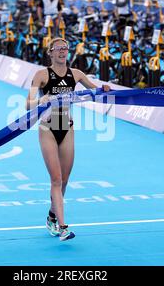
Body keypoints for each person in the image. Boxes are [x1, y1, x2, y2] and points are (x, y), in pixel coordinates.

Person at [26, 38, 111, 241]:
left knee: (64, 180)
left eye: (65, 48)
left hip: (67, 129)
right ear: (51, 53)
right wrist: (42, 100)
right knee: (55, 179)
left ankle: (52, 216)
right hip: (47, 129)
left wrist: (104, 89)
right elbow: (28, 105)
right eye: (58, 49)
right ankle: (63, 227)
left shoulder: (77, 74)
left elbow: (96, 92)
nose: (63, 52)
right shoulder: (41, 75)